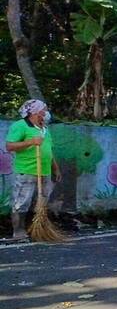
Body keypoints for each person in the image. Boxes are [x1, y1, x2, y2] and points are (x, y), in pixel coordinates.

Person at [4, 99, 61, 240]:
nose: (46, 112)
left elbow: (49, 150)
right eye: (44, 109)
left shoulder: (44, 128)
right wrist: (31, 141)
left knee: (41, 203)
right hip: (27, 171)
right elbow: (10, 146)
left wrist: (56, 168)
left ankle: (36, 229)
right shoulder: (20, 126)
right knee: (21, 203)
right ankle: (18, 231)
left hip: (45, 171)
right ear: (35, 112)